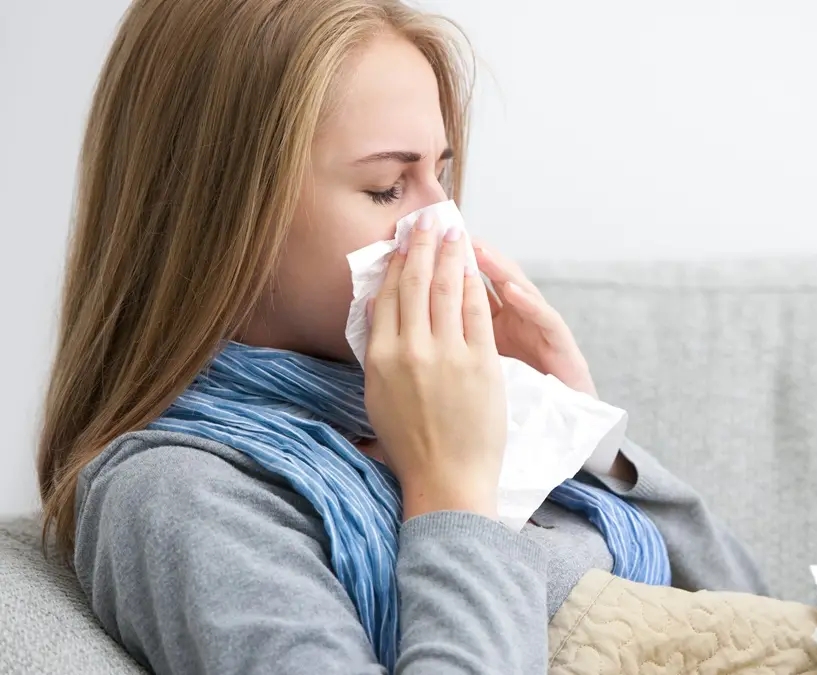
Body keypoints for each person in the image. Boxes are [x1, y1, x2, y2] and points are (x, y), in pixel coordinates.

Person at [37, 1, 768, 673]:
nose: (442, 224)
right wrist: (449, 491)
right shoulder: (181, 493)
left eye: (441, 178)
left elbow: (757, 626)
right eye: (388, 186)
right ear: (219, 217)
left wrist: (579, 430)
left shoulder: (437, 410)